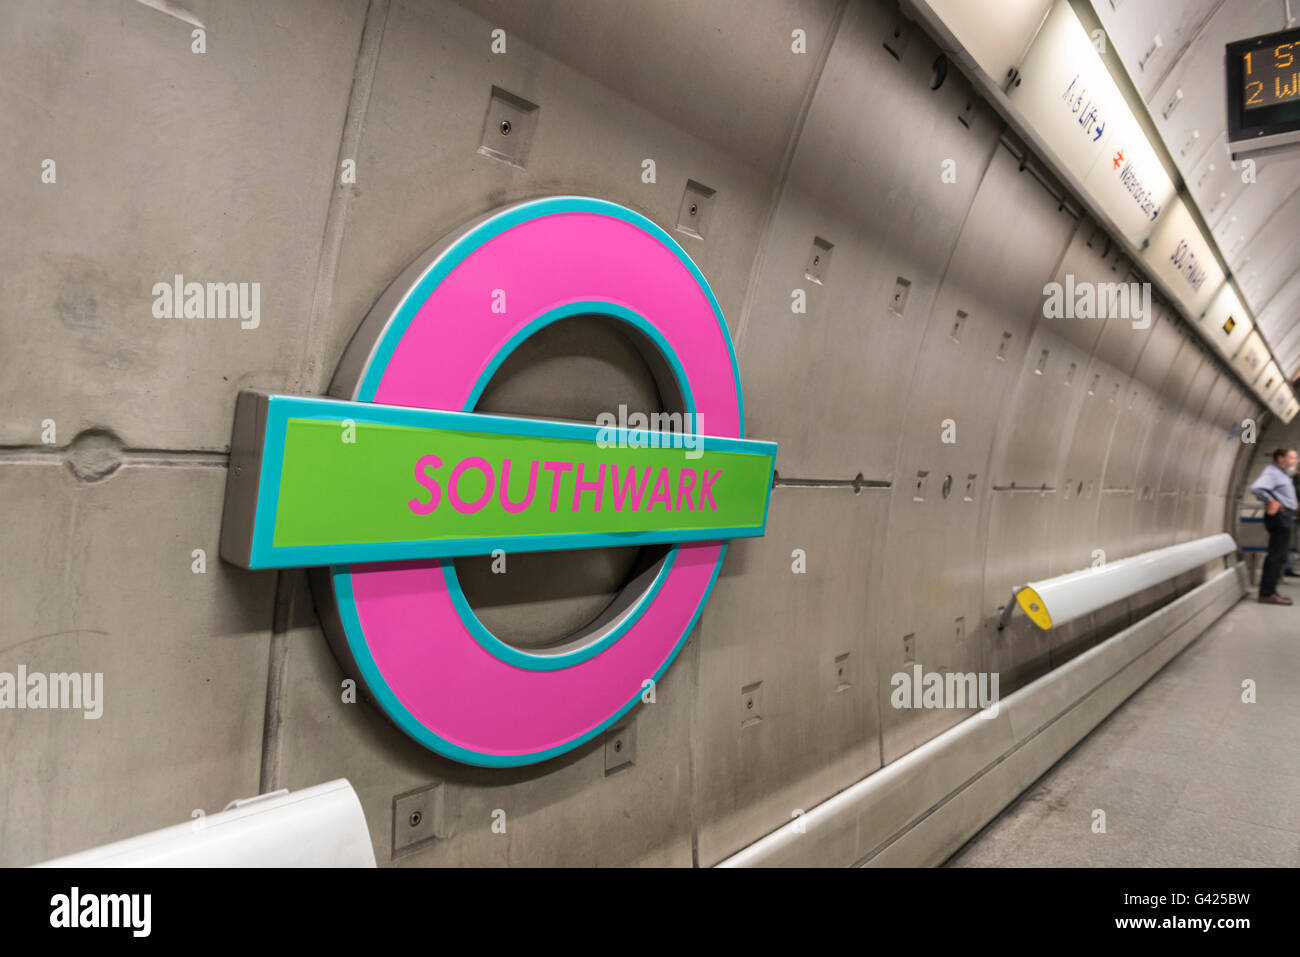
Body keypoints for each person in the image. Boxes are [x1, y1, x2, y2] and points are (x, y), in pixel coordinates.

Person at [1249, 447, 1299, 605]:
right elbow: (1256, 487)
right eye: (1292, 458)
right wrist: (1271, 501)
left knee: (1280, 556)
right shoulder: (1272, 473)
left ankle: (1271, 590)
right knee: (1276, 556)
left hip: (1285, 516)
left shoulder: (1282, 474)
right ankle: (1266, 593)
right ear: (1280, 459)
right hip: (1279, 517)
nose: (1295, 461)